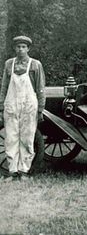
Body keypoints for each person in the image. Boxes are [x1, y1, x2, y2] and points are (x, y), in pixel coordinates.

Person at [0, 36, 45, 181]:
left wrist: (40, 109)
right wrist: (1, 106)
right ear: (15, 48)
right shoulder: (9, 64)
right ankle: (12, 171)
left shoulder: (35, 65)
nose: (21, 49)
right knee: (11, 137)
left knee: (27, 137)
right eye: (18, 47)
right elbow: (4, 87)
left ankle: (24, 171)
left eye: (23, 47)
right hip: (11, 105)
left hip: (28, 105)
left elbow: (40, 88)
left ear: (28, 49)